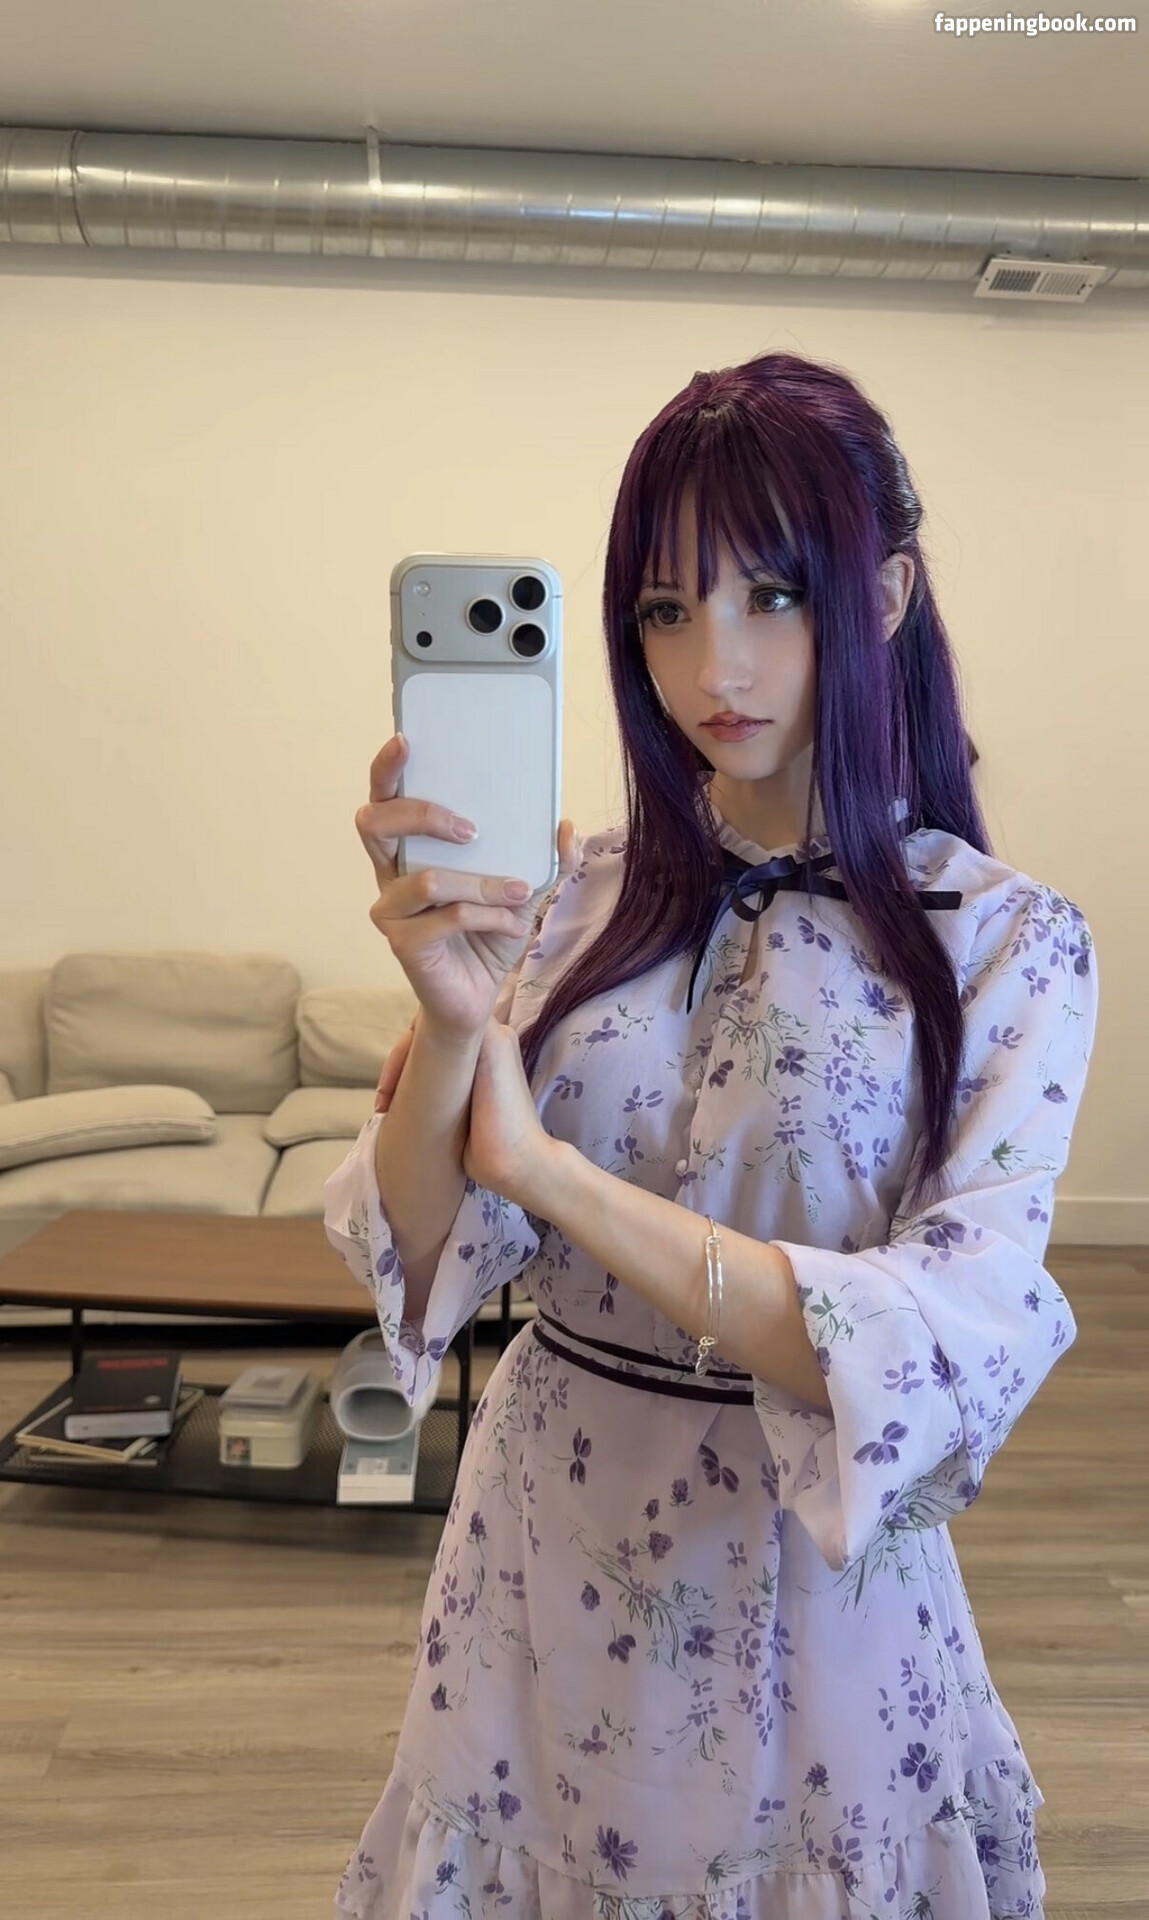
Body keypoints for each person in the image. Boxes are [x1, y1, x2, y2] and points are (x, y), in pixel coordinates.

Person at [323, 350, 1098, 1920]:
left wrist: (552, 1176)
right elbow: (420, 1248)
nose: (710, 665)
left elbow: (937, 1332)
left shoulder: (1007, 943)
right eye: (665, 611)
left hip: (812, 1586)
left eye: (771, 595)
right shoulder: (578, 895)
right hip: (545, 1551)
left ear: (882, 597)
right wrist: (456, 1027)